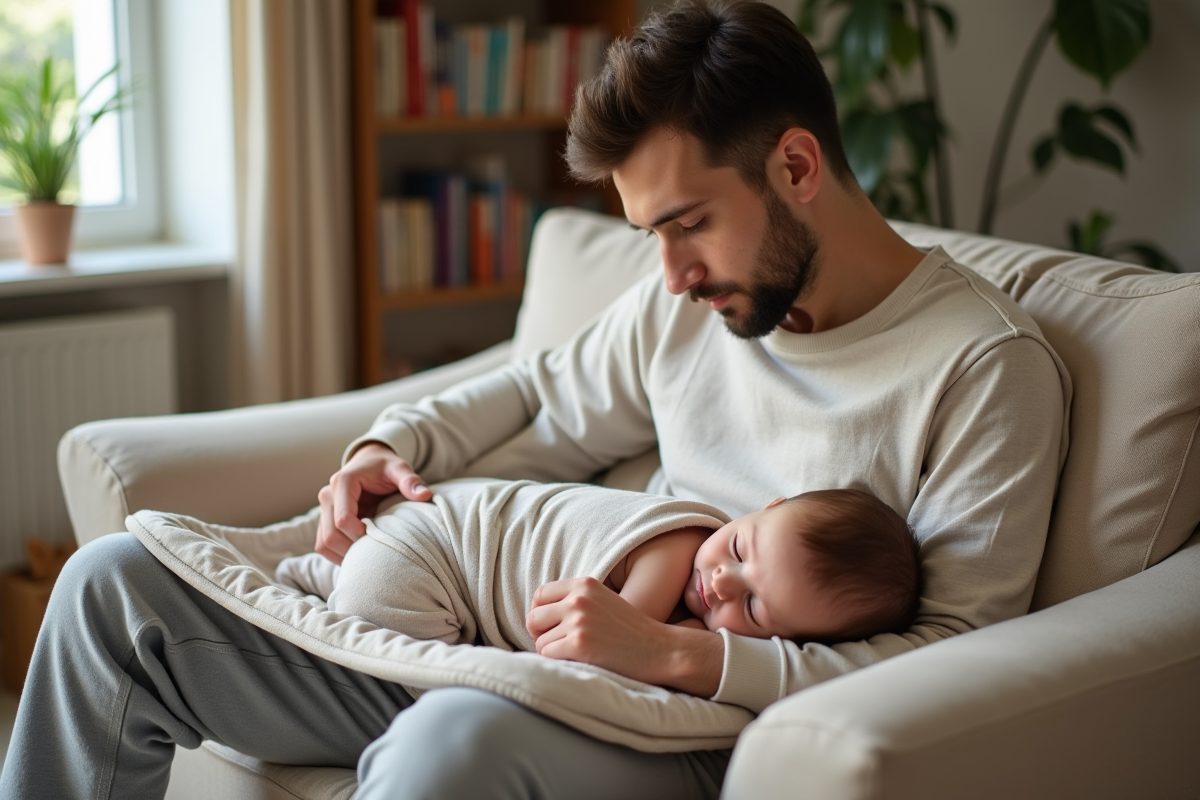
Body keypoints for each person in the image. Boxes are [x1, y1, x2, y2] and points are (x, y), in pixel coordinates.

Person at [0, 1, 1069, 798]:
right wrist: (391, 443)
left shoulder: (986, 369)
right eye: (650, 233)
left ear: (796, 164)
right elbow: (536, 394)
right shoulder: (693, 308)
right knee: (113, 586)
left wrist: (683, 652)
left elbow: (948, 659)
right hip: (527, 650)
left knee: (446, 747)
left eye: (689, 222)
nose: (671, 275)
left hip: (708, 730)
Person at [274, 480, 922, 648]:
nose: (723, 579)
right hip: (428, 552)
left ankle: (317, 581)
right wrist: (695, 634)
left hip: (408, 549)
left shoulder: (702, 583)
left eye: (753, 606)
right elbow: (602, 649)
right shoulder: (676, 544)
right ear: (764, 507)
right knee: (425, 680)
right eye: (744, 549)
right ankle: (327, 588)